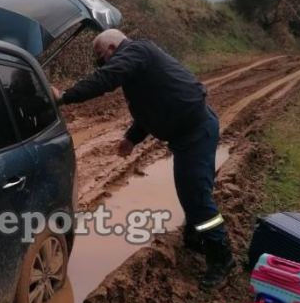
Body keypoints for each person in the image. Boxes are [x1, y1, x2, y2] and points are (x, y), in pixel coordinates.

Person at [52, 29, 234, 289]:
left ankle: (221, 258)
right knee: (192, 192)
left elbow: (106, 78)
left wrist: (65, 97)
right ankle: (196, 237)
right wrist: (132, 138)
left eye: (102, 56)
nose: (102, 62)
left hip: (196, 132)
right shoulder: (138, 67)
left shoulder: (137, 51)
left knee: (196, 196)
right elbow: (153, 108)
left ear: (113, 47)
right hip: (189, 134)